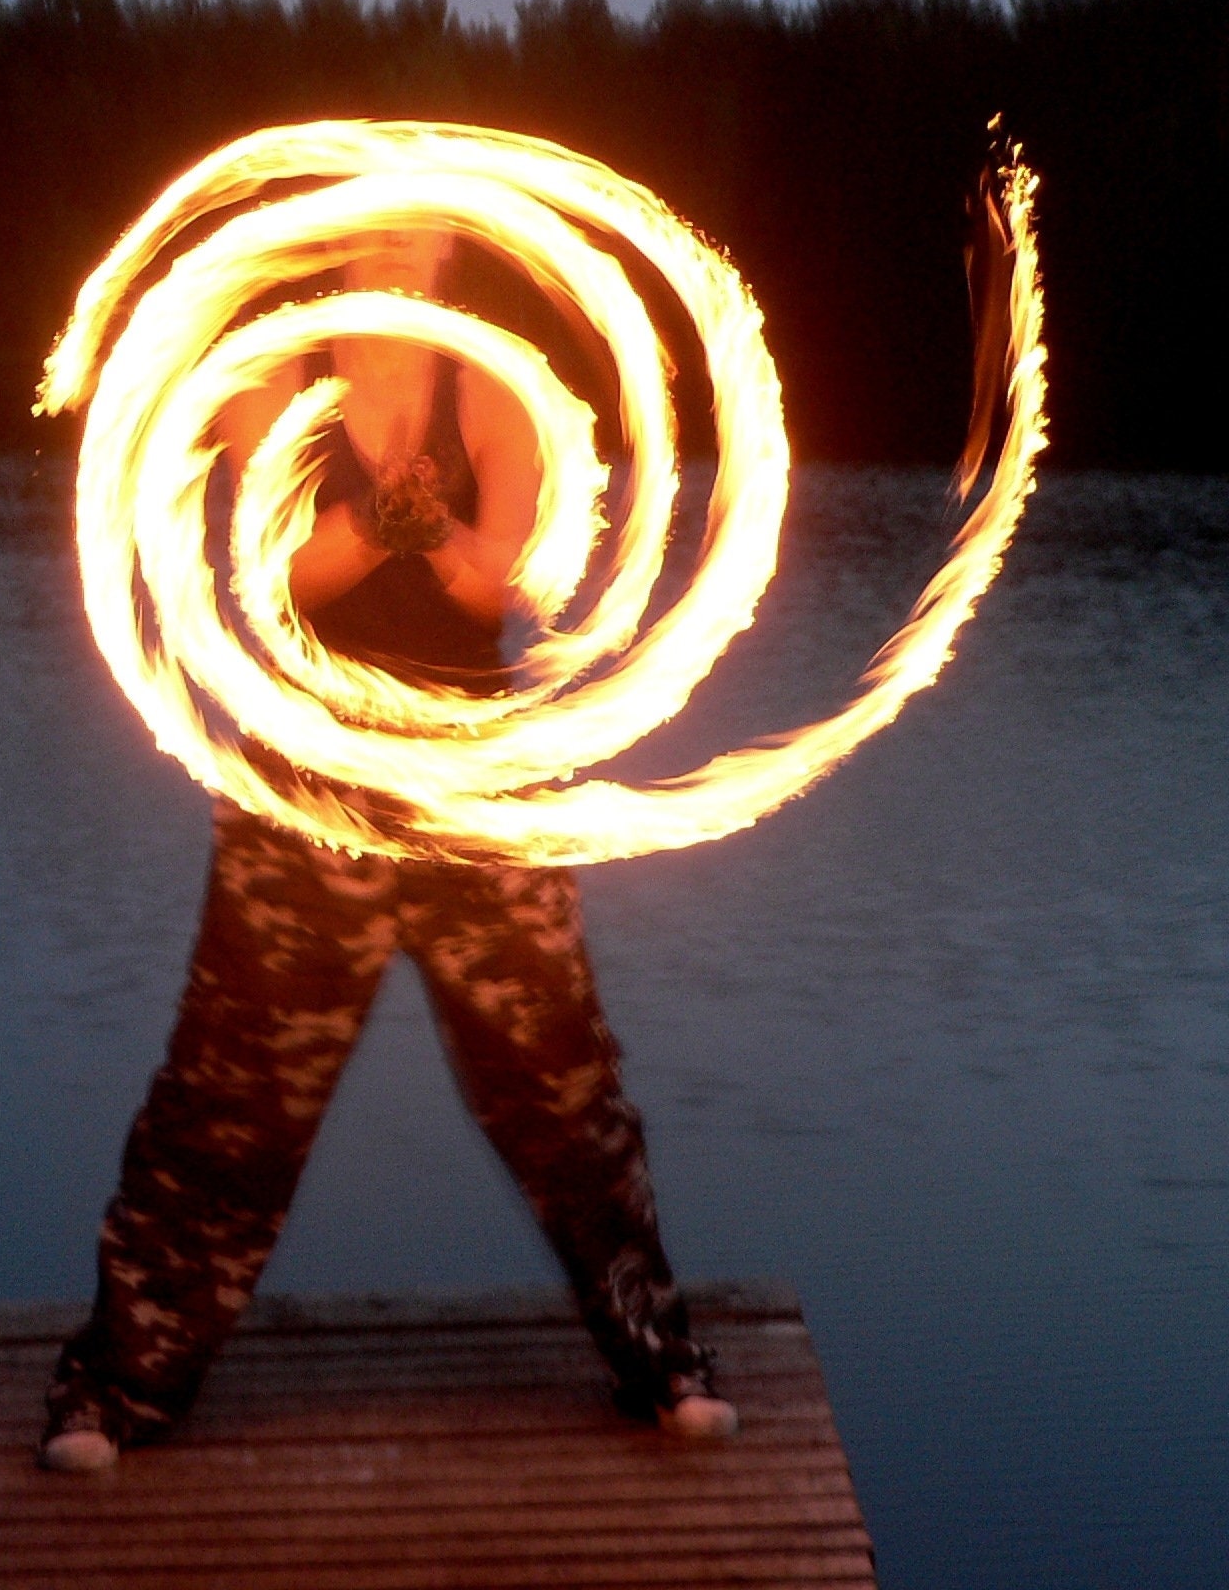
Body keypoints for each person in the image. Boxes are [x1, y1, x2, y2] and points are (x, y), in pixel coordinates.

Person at [39, 228, 737, 1473]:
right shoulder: (273, 376)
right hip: (311, 789)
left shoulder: (497, 387)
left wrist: (435, 529)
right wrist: (374, 517)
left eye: (419, 232)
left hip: (473, 787)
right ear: (345, 236)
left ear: (446, 240)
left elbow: (491, 591)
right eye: (377, 229)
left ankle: (660, 1362)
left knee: (561, 1086)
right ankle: (117, 1391)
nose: (397, 247)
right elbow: (278, 579)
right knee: (230, 1101)